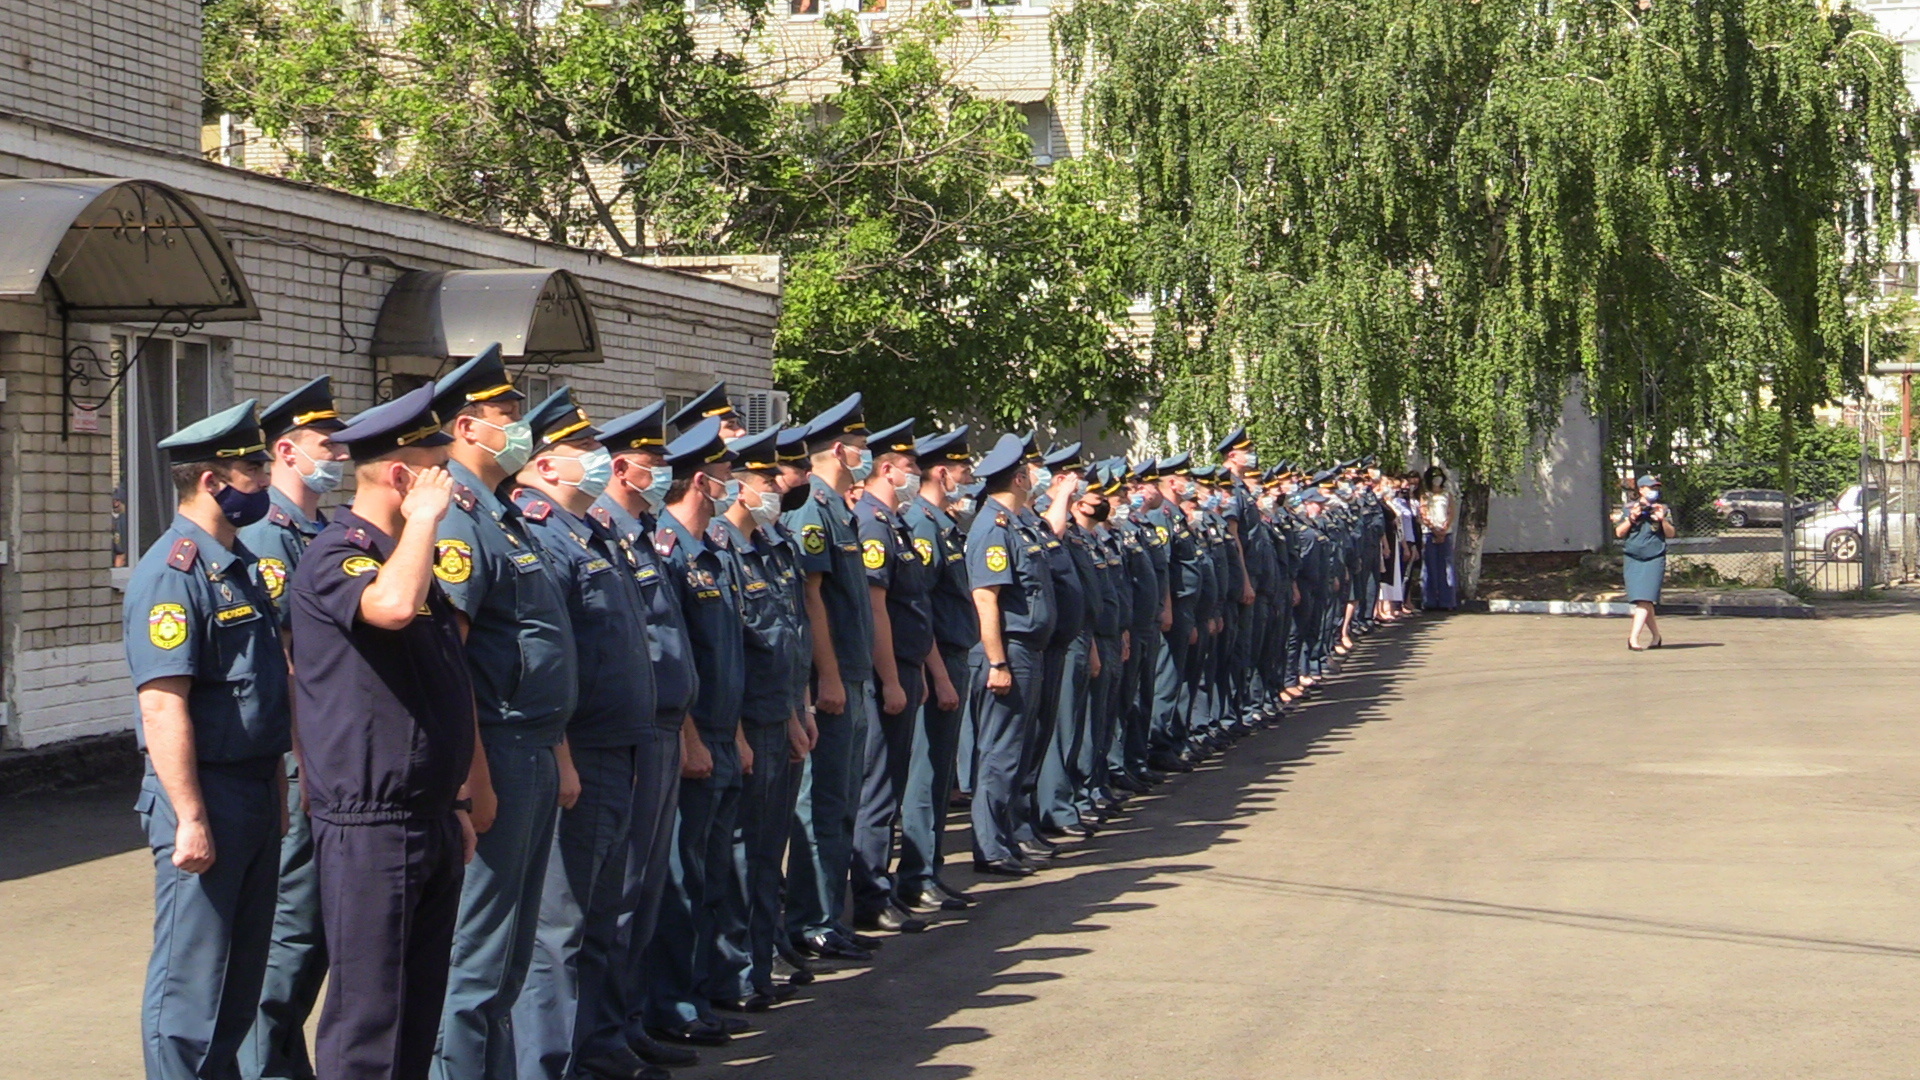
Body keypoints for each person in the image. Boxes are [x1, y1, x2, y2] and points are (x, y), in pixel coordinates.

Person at [287, 385, 480, 1080]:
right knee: (370, 1020)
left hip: (423, 814)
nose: (450, 486)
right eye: (438, 471)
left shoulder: (408, 556)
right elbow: (392, 608)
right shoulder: (341, 553)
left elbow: (444, 683)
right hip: (372, 822)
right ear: (402, 477)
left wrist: (455, 800)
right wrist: (424, 522)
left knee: (415, 1010)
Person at [123, 399, 291, 1080]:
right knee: (192, 981)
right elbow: (164, 706)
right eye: (253, 466)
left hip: (251, 788)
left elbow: (264, 694)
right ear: (213, 482)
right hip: (206, 796)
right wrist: (190, 816)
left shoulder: (239, 565)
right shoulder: (174, 572)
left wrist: (276, 789)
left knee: (238, 981)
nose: (264, 479)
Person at [429, 344, 578, 1080]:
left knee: (513, 954)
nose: (518, 430)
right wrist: (470, 781)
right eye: (506, 417)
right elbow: (448, 668)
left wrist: (556, 751)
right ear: (466, 427)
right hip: (494, 753)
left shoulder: (504, 516)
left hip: (533, 746)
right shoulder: (459, 522)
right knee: (477, 954)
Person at [506, 388, 663, 1080]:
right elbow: (548, 661)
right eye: (586, 451)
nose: (601, 461)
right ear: (543, 466)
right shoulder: (540, 534)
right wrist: (564, 755)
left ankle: (598, 1047)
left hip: (622, 744)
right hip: (582, 753)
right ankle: (549, 1063)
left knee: (605, 911)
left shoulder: (593, 533)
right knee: (559, 928)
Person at [588, 403, 706, 1072]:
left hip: (661, 726)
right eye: (655, 462)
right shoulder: (604, 532)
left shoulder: (642, 536)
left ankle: (626, 1022)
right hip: (623, 734)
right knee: (619, 893)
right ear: (621, 467)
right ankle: (603, 1035)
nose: (665, 472)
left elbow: (668, 645)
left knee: (645, 889)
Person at [240, 375, 349, 1080]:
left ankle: (283, 1061)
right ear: (286, 450)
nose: (336, 455)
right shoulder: (265, 537)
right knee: (289, 928)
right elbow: (284, 657)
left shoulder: (320, 531)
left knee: (316, 932)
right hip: (298, 755)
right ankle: (264, 1066)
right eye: (325, 444)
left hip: (332, 750)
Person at [641, 416, 752, 1046]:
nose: (735, 483)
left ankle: (703, 989)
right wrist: (690, 739)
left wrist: (729, 735)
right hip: (689, 735)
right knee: (680, 880)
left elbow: (727, 654)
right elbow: (670, 657)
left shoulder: (713, 550)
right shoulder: (669, 550)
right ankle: (671, 1002)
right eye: (727, 473)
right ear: (702, 482)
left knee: (710, 872)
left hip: (720, 730)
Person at [710, 427, 811, 1013]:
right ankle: (739, 967)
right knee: (742, 854)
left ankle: (764, 951)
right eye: (767, 478)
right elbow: (732, 655)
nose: (778, 486)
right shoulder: (722, 547)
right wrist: (743, 732)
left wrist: (798, 711)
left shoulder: (772, 544)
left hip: (780, 716)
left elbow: (788, 637)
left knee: (768, 847)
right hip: (747, 723)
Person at [781, 393, 881, 961]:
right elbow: (812, 601)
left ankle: (828, 912)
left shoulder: (839, 509)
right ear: (840, 450)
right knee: (820, 806)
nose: (865, 457)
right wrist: (829, 677)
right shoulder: (811, 511)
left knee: (842, 800)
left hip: (854, 672)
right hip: (834, 679)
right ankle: (810, 918)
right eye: (861, 447)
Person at [850, 419, 945, 933]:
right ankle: (870, 896)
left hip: (907, 669)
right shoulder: (871, 523)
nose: (917, 475)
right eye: (911, 467)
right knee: (878, 790)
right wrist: (889, 679)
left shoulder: (895, 523)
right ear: (888, 469)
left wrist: (918, 672)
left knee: (892, 785)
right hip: (886, 674)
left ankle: (882, 889)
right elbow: (876, 609)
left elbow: (914, 609)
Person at [965, 433, 1056, 876]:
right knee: (999, 754)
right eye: (1032, 472)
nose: (1038, 477)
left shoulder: (1018, 523)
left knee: (1017, 753)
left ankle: (1007, 838)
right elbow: (987, 600)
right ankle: (990, 848)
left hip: (1029, 650)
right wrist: (997, 663)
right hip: (1010, 652)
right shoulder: (992, 527)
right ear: (1019, 478)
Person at [897, 427, 979, 913]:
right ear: (942, 472)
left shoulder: (941, 524)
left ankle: (930, 869)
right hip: (936, 661)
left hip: (950, 656)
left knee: (940, 771)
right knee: (925, 778)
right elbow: (917, 607)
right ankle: (915, 875)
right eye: (964, 471)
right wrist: (939, 674)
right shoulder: (923, 525)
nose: (968, 478)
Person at [1615, 473, 1675, 650]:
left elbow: (1671, 533)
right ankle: (1656, 637)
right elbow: (1619, 532)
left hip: (1654, 558)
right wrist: (1632, 518)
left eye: (1656, 488)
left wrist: (1662, 520)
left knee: (1645, 598)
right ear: (1641, 490)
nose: (1654, 491)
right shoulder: (1629, 507)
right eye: (1651, 487)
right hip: (1633, 558)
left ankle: (1633, 638)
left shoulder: (1662, 508)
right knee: (1643, 600)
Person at [1418, 465, 1457, 610]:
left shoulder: (1447, 494)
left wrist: (1444, 529)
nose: (1437, 480)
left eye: (1439, 477)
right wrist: (1433, 529)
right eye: (1434, 477)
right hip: (1429, 533)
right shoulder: (1425, 496)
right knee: (1429, 567)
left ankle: (1447, 601)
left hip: (1445, 533)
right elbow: (1423, 513)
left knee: (1446, 568)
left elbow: (1451, 512)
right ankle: (1429, 601)